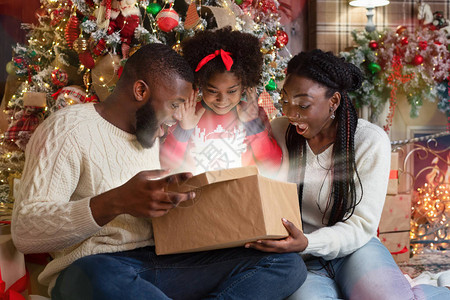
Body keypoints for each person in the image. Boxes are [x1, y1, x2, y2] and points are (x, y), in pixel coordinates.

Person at [11, 43, 306, 300]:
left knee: (285, 265)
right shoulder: (68, 129)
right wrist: (117, 201)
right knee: (94, 276)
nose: (179, 116)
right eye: (175, 104)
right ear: (140, 90)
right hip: (98, 265)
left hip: (165, 261)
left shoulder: (154, 134)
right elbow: (26, 232)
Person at [245, 49, 450, 299]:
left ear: (334, 102)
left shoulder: (369, 141)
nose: (290, 112)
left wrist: (310, 242)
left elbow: (361, 226)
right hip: (301, 258)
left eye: (303, 104)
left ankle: (430, 290)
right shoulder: (279, 130)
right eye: (285, 100)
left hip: (356, 250)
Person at [160, 27, 282, 176]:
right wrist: (184, 130)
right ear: (200, 85)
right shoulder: (188, 115)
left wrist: (253, 126)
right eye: (212, 91)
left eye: (231, 91)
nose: (222, 100)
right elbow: (166, 166)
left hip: (243, 196)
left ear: (243, 87)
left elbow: (273, 165)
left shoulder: (254, 115)